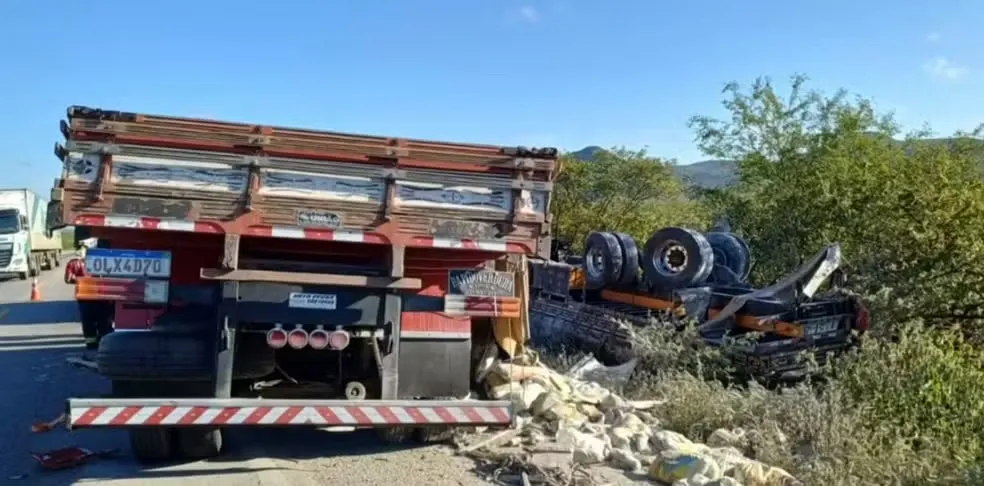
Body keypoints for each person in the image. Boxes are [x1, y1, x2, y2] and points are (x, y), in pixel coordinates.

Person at [65, 242, 113, 359]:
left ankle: (91, 346)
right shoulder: (107, 261)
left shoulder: (74, 263)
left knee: (88, 323)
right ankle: (105, 343)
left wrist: (82, 280)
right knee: (104, 321)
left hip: (84, 298)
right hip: (102, 297)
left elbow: (68, 279)